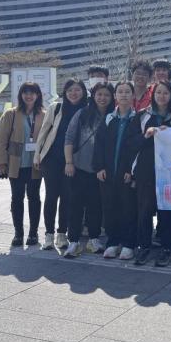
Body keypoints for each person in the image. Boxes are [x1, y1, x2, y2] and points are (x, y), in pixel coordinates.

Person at [124, 80, 171, 267]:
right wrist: (146, 135)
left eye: (166, 93)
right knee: (144, 211)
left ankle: (166, 248)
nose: (162, 96)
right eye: (158, 93)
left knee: (168, 212)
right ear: (153, 95)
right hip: (146, 171)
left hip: (170, 173)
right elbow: (130, 143)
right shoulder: (142, 116)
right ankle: (144, 246)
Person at [34, 78, 87, 250]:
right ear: (65, 92)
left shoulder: (87, 109)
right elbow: (44, 131)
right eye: (70, 90)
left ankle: (62, 234)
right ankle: (49, 234)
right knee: (51, 196)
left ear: (83, 92)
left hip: (73, 161)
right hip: (52, 158)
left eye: (77, 90)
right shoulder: (56, 108)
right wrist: (37, 154)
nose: (73, 93)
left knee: (67, 197)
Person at [63, 82, 114, 257]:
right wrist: (69, 162)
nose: (102, 98)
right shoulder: (82, 113)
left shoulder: (113, 116)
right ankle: (74, 241)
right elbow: (69, 138)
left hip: (100, 170)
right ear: (93, 95)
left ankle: (94, 239)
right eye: (99, 94)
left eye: (106, 95)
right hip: (78, 167)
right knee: (75, 205)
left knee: (96, 205)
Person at [0, 82, 45, 247]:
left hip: (35, 164)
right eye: (25, 92)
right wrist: (1, 162)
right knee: (17, 198)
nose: (28, 96)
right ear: (21, 95)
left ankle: (33, 233)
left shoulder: (43, 115)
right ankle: (18, 233)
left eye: (32, 93)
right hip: (16, 163)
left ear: (38, 95)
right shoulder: (11, 114)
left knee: (34, 197)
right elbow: (1, 139)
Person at [93, 81, 137, 260]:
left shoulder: (138, 119)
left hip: (126, 173)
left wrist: (131, 170)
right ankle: (113, 241)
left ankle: (128, 243)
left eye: (127, 92)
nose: (124, 95)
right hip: (108, 172)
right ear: (115, 96)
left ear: (133, 95)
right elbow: (99, 145)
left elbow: (137, 148)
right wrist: (99, 167)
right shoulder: (109, 118)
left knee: (128, 208)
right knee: (109, 207)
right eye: (120, 92)